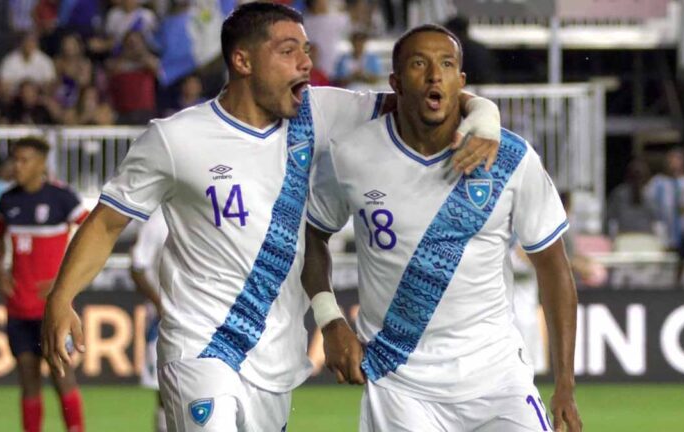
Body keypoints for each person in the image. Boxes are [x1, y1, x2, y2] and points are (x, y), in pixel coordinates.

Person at [42, 3, 501, 431]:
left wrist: (486, 115)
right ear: (242, 62)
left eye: (306, 50)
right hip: (201, 347)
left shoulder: (316, 114)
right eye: (287, 51)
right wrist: (62, 297)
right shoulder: (175, 139)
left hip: (276, 358)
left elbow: (421, 100)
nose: (305, 62)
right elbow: (106, 223)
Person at [303, 25, 582, 431]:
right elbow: (312, 236)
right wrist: (330, 320)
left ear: (461, 82)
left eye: (447, 64)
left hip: (497, 377)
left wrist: (565, 385)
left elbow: (555, 268)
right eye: (420, 64)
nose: (435, 75)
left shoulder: (510, 158)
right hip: (400, 384)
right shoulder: (352, 154)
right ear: (395, 82)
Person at [0, 136, 88, 432]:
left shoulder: (62, 198)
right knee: (28, 379)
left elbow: (91, 237)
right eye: (15, 160)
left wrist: (66, 282)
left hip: (53, 309)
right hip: (19, 307)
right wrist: (0, 269)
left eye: (24, 160)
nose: (17, 166)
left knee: (62, 376)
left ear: (41, 163)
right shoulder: (8, 200)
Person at [130, 208, 169, 432]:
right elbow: (137, 267)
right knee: (165, 391)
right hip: (163, 322)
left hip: (206, 316)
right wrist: (160, 303)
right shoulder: (157, 220)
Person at [644, 148, 684, 249]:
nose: (674, 163)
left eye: (677, 159)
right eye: (671, 160)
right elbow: (647, 204)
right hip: (663, 233)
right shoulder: (657, 182)